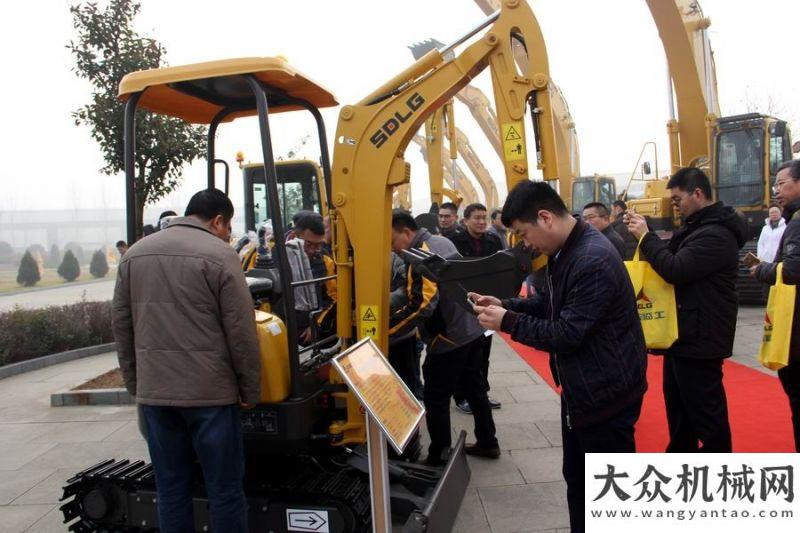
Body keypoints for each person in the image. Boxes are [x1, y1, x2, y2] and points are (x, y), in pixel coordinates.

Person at [472, 181, 646, 533]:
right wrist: (506, 304)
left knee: (604, 495)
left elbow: (566, 333)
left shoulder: (591, 259)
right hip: (584, 388)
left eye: (523, 233)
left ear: (545, 217)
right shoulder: (567, 251)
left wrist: (509, 322)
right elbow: (551, 303)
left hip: (605, 393)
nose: (525, 244)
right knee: (579, 482)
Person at [112, 188, 260, 533]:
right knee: (224, 490)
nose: (228, 234)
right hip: (211, 395)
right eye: (228, 226)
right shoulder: (221, 256)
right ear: (218, 221)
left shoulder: (134, 255)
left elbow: (122, 326)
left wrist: (136, 385)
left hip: (156, 397)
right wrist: (250, 390)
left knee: (171, 489)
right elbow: (241, 331)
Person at [626, 167, 746, 453]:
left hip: (701, 338)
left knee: (706, 415)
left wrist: (646, 237)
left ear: (698, 193)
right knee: (680, 413)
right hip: (683, 334)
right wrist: (648, 235)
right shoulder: (697, 227)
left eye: (678, 199)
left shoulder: (716, 234)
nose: (675, 206)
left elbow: (676, 269)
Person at [390, 210, 499, 465]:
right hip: (470, 328)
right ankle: (488, 441)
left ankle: (439, 454)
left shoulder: (421, 253)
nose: (392, 249)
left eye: (392, 241)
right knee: (475, 388)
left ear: (406, 232)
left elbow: (422, 305)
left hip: (449, 336)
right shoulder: (441, 240)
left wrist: (388, 333)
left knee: (436, 396)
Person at [750, 160, 800, 451]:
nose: (776, 190)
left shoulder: (796, 225)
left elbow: (792, 270)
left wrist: (764, 271)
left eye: (782, 183)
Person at [449, 203, 504, 413]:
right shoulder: (454, 241)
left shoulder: (493, 240)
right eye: (477, 218)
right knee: (464, 354)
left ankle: (481, 393)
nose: (481, 222)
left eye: (484, 218)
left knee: (483, 353)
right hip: (462, 305)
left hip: (486, 302)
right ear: (466, 220)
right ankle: (462, 396)